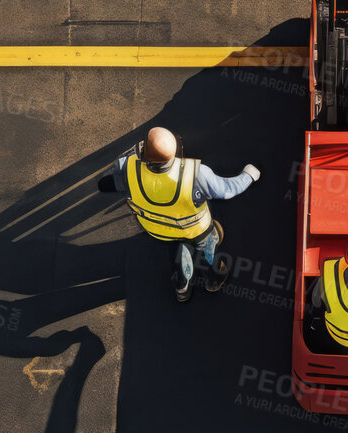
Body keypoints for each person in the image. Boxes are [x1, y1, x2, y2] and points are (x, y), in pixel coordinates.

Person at [99, 127, 258, 302]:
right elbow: (226, 190)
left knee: (178, 251)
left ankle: (182, 287)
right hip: (196, 231)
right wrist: (248, 175)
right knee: (208, 253)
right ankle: (214, 280)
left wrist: (126, 161)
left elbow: (103, 184)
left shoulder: (129, 173)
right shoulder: (195, 174)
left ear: (144, 152)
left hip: (160, 231)